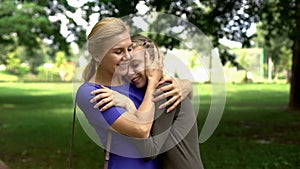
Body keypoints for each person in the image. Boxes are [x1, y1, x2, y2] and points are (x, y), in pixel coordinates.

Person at [76, 18, 193, 169]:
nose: (128, 56)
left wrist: (185, 85)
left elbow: (176, 101)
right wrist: (152, 82)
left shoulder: (133, 82)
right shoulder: (91, 93)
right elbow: (141, 130)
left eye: (129, 48)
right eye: (118, 51)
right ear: (97, 55)